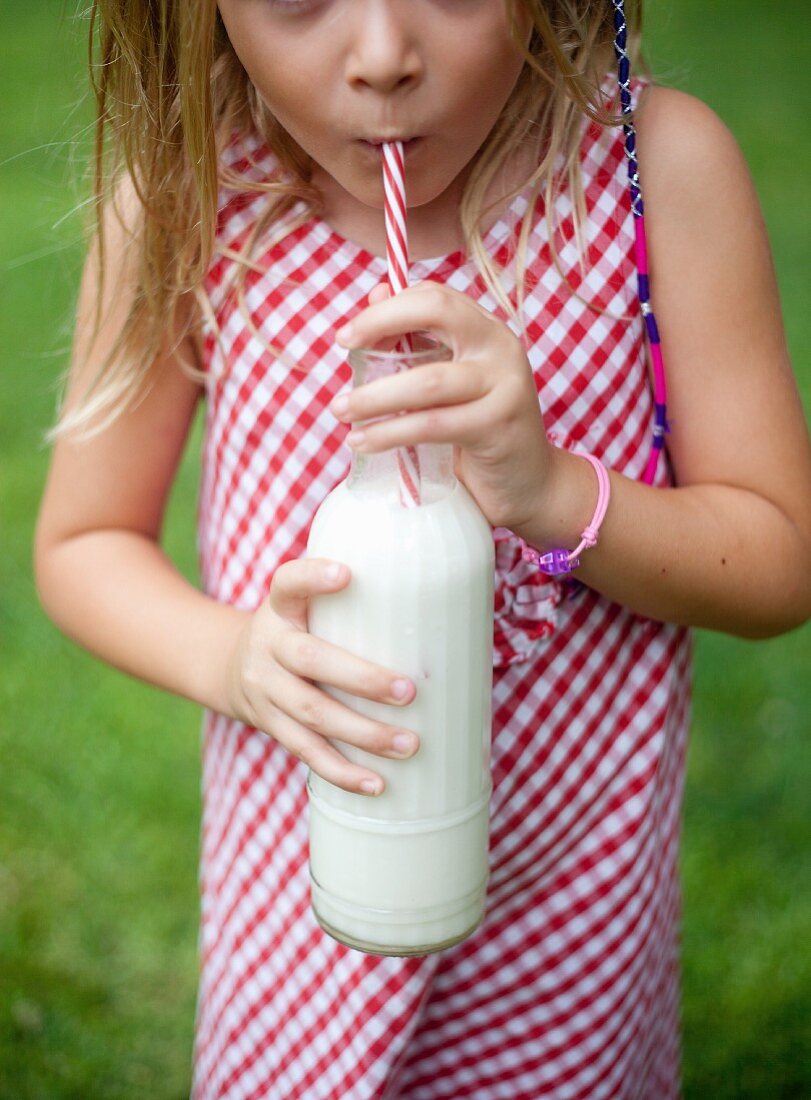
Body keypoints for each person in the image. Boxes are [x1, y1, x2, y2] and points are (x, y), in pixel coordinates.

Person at [34, 0, 811, 1096]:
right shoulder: (195, 195)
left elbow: (778, 559)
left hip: (566, 923)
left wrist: (550, 492)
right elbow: (82, 542)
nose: (384, 57)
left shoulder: (651, 177)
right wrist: (234, 660)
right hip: (297, 913)